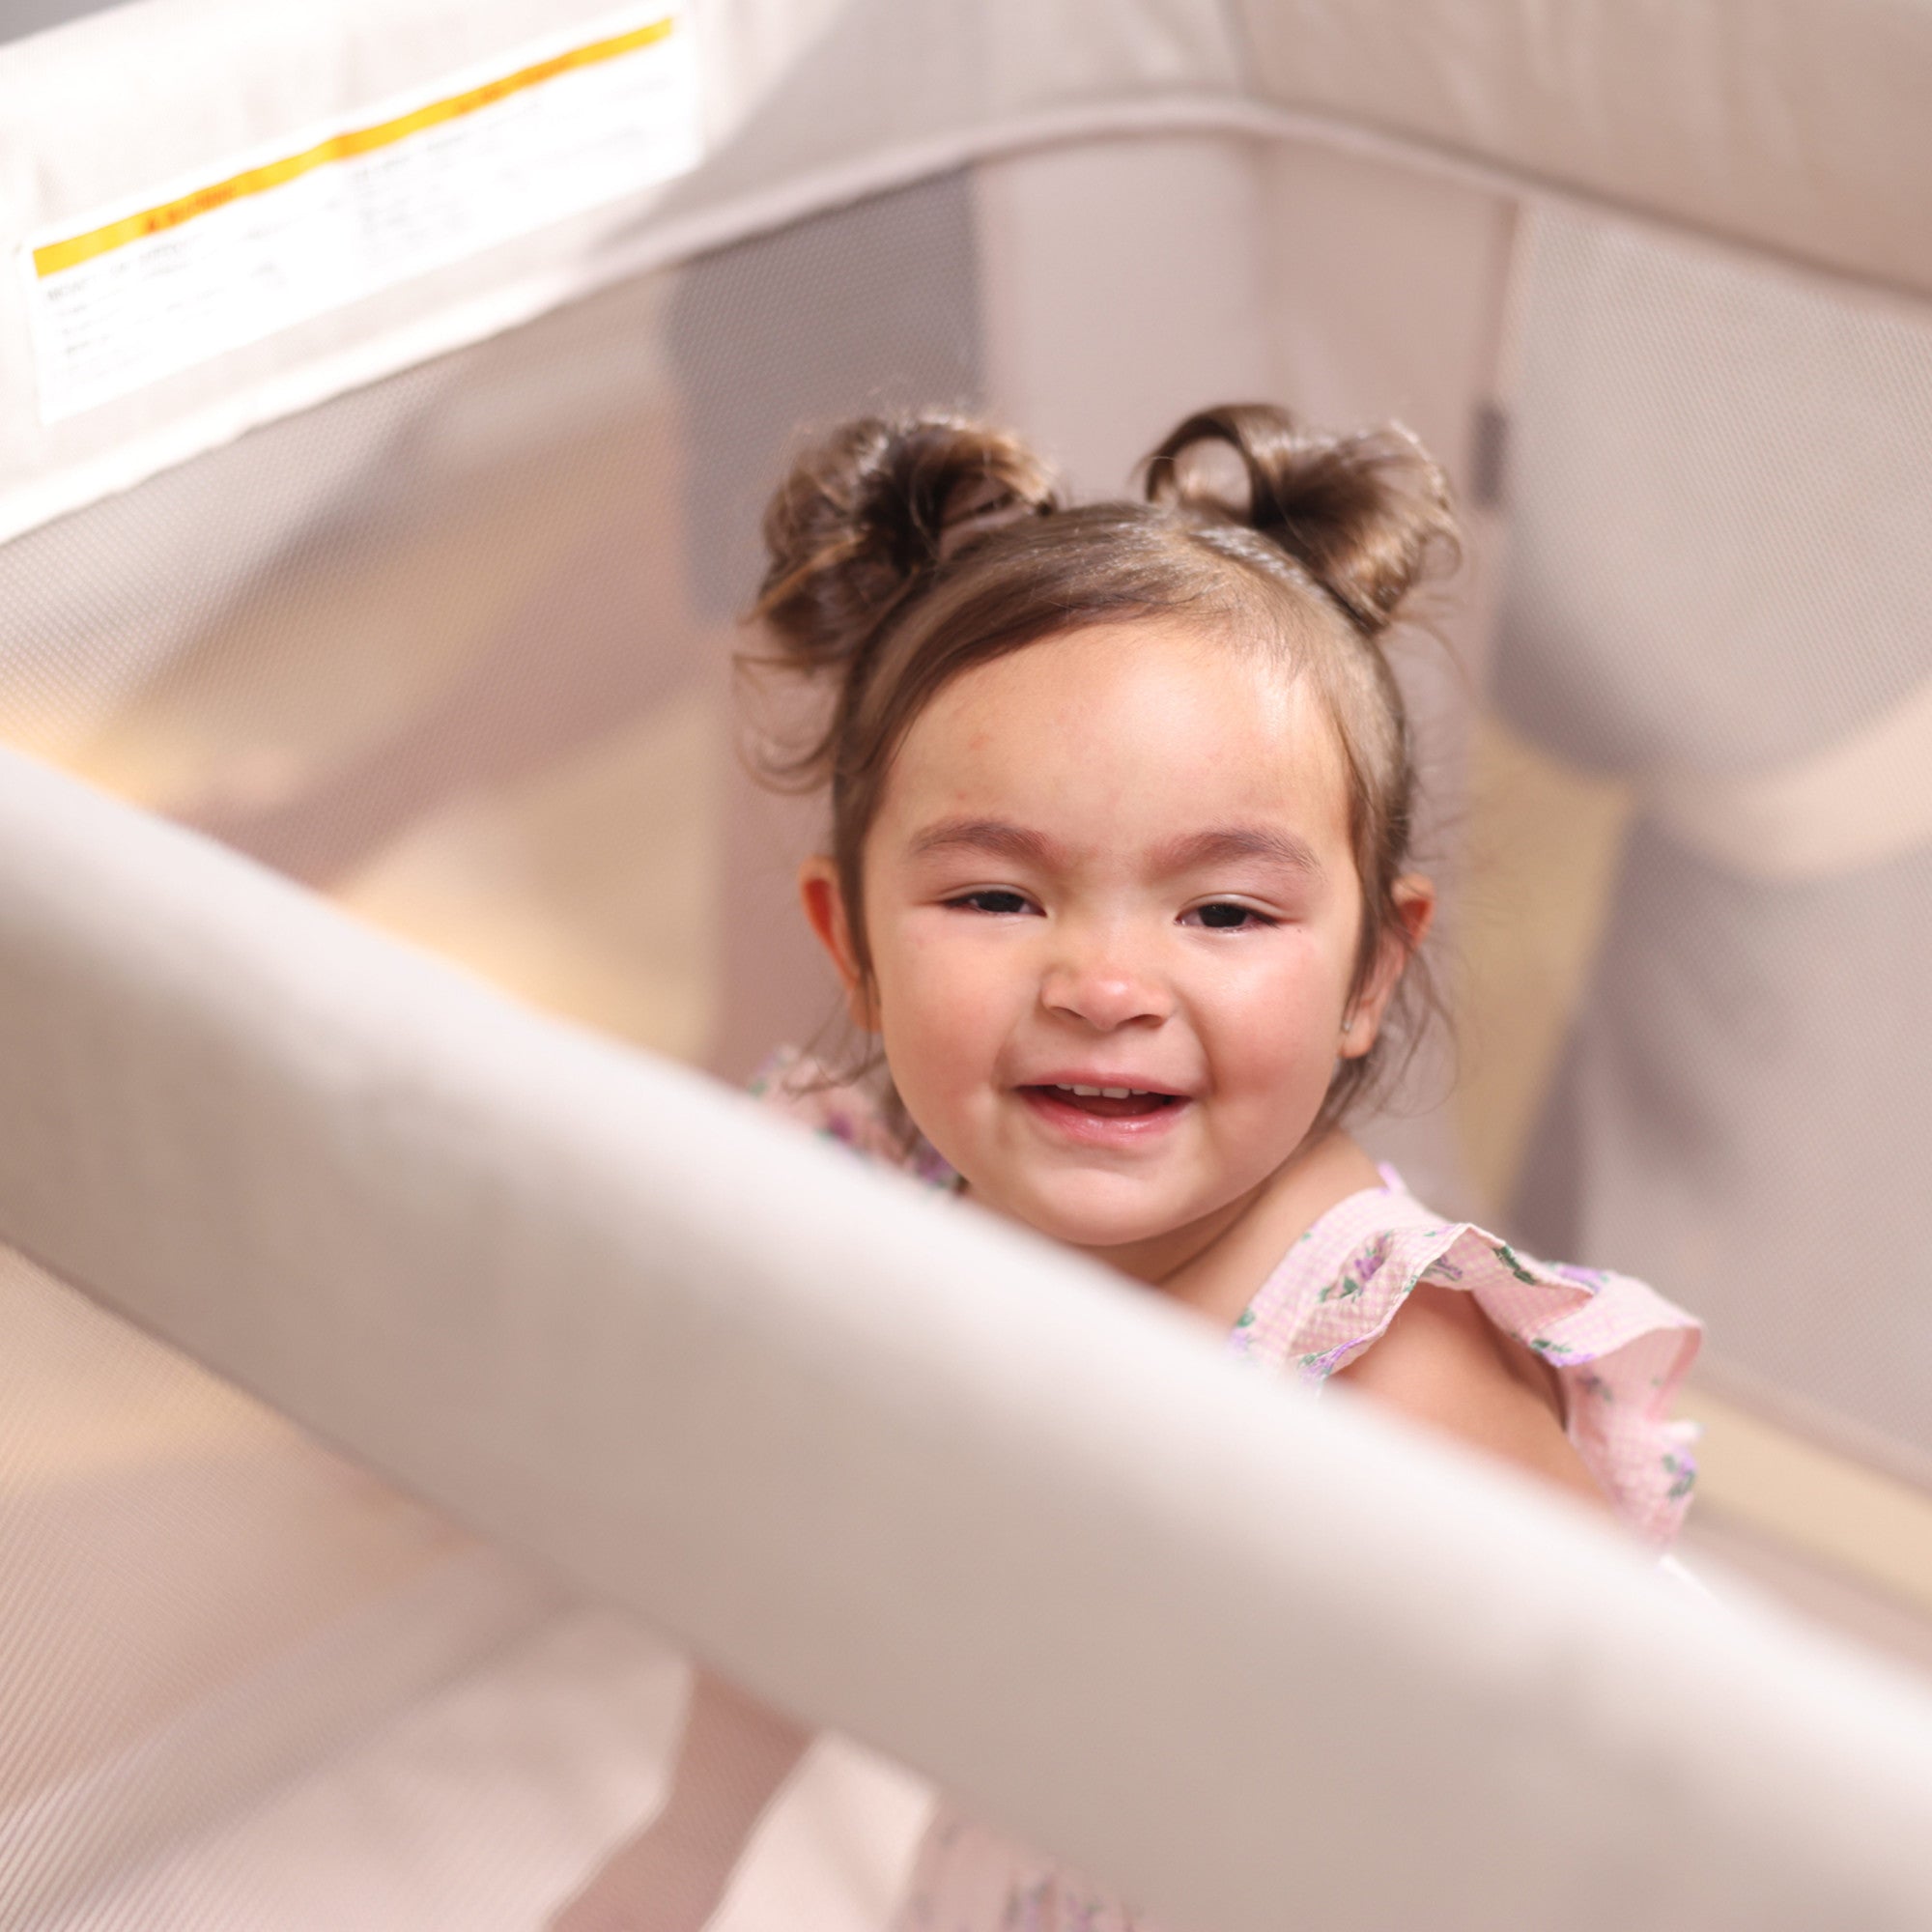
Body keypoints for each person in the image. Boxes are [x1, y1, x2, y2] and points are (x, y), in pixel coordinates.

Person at [551, 403, 1703, 1932]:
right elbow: (800, 1567)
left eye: (1223, 914)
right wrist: (689, 1846)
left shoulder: (1387, 1381)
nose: (1104, 985)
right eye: (996, 895)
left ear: (1371, 967)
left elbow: (1657, 1802)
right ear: (854, 947)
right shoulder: (879, 1214)